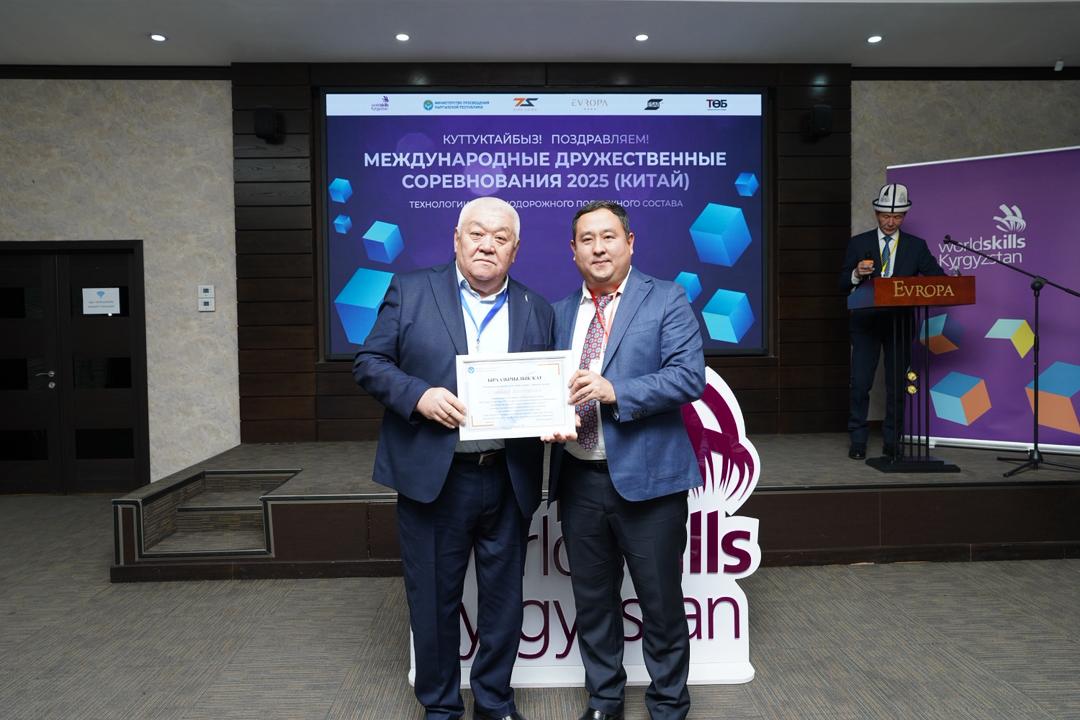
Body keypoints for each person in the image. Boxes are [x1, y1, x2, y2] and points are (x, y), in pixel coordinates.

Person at [353, 196, 553, 720]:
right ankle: (441, 707)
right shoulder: (411, 291)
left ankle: (494, 701)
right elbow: (370, 362)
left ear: (515, 249)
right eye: (477, 233)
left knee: (504, 600)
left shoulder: (537, 307)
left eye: (501, 238)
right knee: (433, 601)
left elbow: (547, 388)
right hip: (434, 476)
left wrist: (554, 414)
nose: (488, 245)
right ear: (456, 239)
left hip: (508, 476)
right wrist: (418, 395)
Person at [545, 200, 705, 720]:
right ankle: (604, 702)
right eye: (586, 239)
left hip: (650, 481)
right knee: (593, 603)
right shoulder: (558, 312)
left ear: (630, 243)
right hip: (579, 478)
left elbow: (688, 377)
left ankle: (668, 705)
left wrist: (616, 390)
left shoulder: (667, 298)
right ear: (573, 251)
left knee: (660, 604)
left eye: (608, 236)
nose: (598, 248)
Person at [840, 183, 944, 460]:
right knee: (860, 383)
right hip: (866, 324)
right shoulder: (859, 243)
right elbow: (842, 283)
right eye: (885, 216)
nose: (890, 222)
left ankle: (892, 441)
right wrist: (856, 273)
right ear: (876, 213)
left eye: (897, 217)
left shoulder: (916, 246)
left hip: (900, 324)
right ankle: (858, 440)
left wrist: (950, 281)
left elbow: (938, 279)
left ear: (904, 216)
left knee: (897, 385)